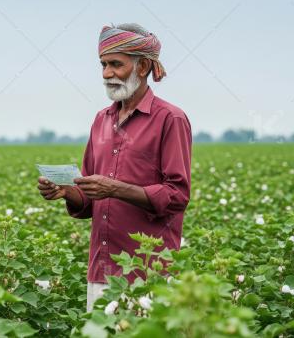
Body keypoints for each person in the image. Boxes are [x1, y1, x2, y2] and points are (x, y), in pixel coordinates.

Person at [37, 23, 191, 311]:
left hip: (148, 273)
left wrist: (115, 189)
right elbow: (87, 197)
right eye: (103, 65)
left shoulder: (170, 119)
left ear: (143, 66)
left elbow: (177, 195)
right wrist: (66, 191)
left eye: (116, 65)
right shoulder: (101, 120)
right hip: (102, 269)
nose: (107, 74)